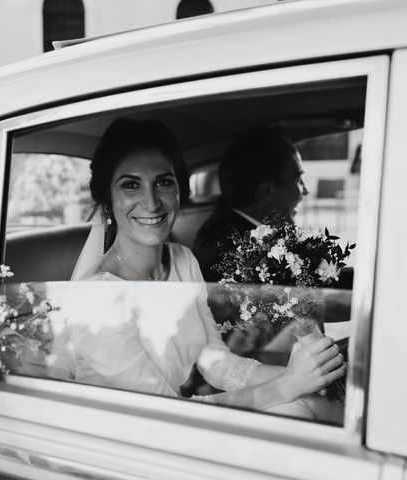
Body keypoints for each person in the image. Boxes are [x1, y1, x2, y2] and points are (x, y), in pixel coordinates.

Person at [61, 118, 344, 416]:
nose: (152, 201)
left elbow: (215, 362)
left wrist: (313, 375)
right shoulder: (98, 301)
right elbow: (164, 414)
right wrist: (284, 386)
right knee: (294, 410)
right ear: (107, 200)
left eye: (163, 182)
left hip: (176, 420)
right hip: (139, 434)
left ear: (179, 189)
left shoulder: (183, 260)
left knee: (318, 404)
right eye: (131, 185)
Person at [193, 128, 308, 282]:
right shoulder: (226, 255)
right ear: (268, 192)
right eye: (298, 180)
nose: (305, 190)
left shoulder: (245, 236)